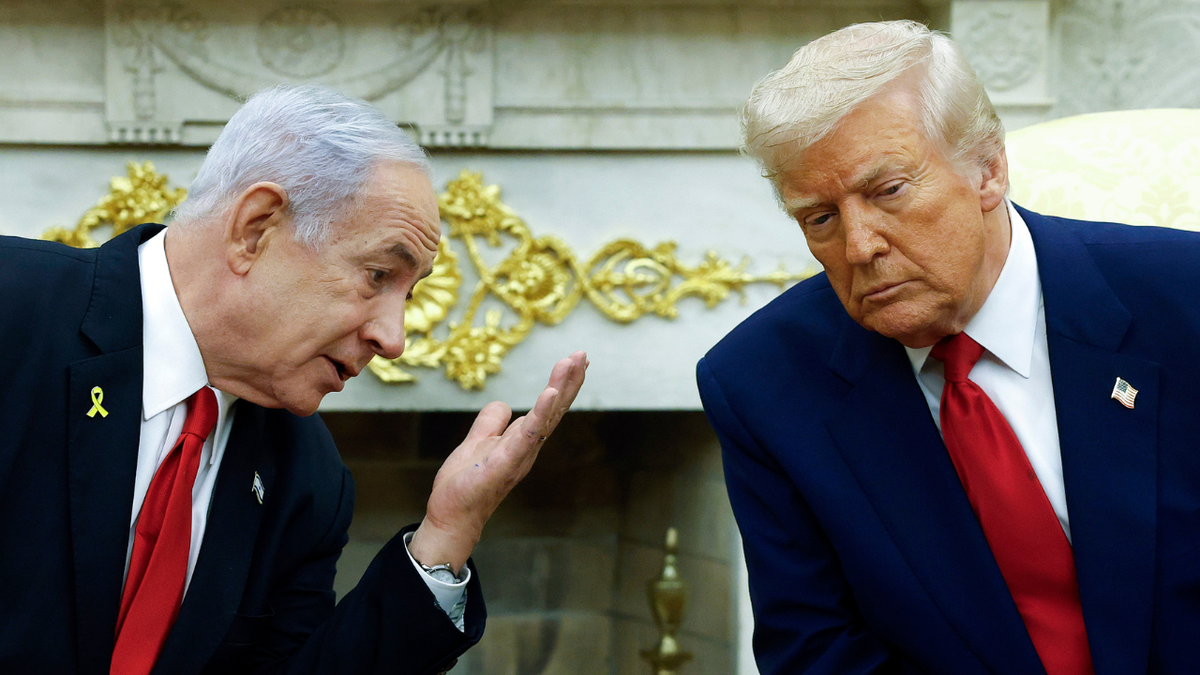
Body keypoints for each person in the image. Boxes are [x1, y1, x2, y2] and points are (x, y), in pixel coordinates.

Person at [0, 84, 587, 675]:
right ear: (256, 228)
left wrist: (446, 535)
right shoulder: (12, 312)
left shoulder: (309, 478)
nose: (394, 338)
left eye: (409, 294)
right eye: (379, 274)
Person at [698, 20, 1200, 675]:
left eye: (888, 192)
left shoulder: (1181, 300)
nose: (859, 247)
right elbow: (816, 651)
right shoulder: (764, 384)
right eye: (820, 217)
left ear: (988, 169)